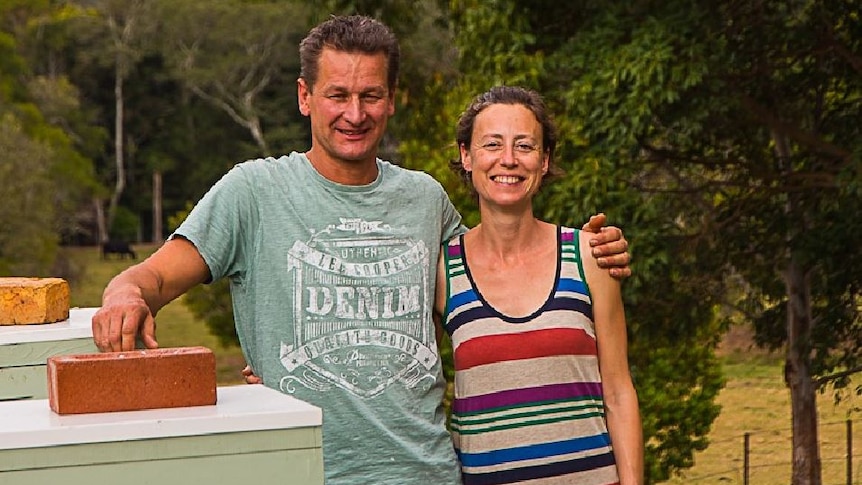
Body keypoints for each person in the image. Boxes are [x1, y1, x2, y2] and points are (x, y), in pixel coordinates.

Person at [91, 16, 631, 485]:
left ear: (391, 100)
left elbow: (492, 284)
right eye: (338, 95)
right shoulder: (252, 192)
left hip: (426, 471)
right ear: (305, 96)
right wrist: (125, 292)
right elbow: (154, 278)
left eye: (371, 95)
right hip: (304, 470)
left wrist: (591, 252)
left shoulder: (425, 200)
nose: (355, 113)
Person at [434, 86, 643, 485]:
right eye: (492, 144)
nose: (508, 160)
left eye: (525, 146)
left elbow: (618, 392)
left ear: (544, 161)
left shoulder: (589, 256)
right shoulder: (443, 270)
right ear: (466, 156)